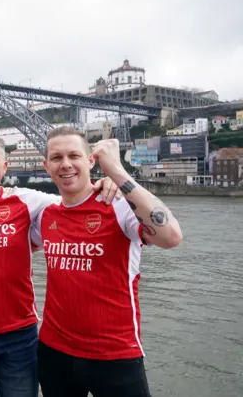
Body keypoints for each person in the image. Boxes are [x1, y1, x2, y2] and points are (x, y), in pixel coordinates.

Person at [0, 132, 119, 397]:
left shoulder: (28, 201)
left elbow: (75, 199)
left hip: (18, 335)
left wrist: (108, 182)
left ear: (5, 167)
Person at [31, 127, 182, 397]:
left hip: (114, 354)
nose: (65, 164)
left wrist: (116, 172)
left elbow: (170, 237)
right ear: (46, 166)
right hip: (55, 352)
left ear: (91, 160)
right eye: (56, 158)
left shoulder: (120, 207)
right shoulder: (46, 215)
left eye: (74, 155)